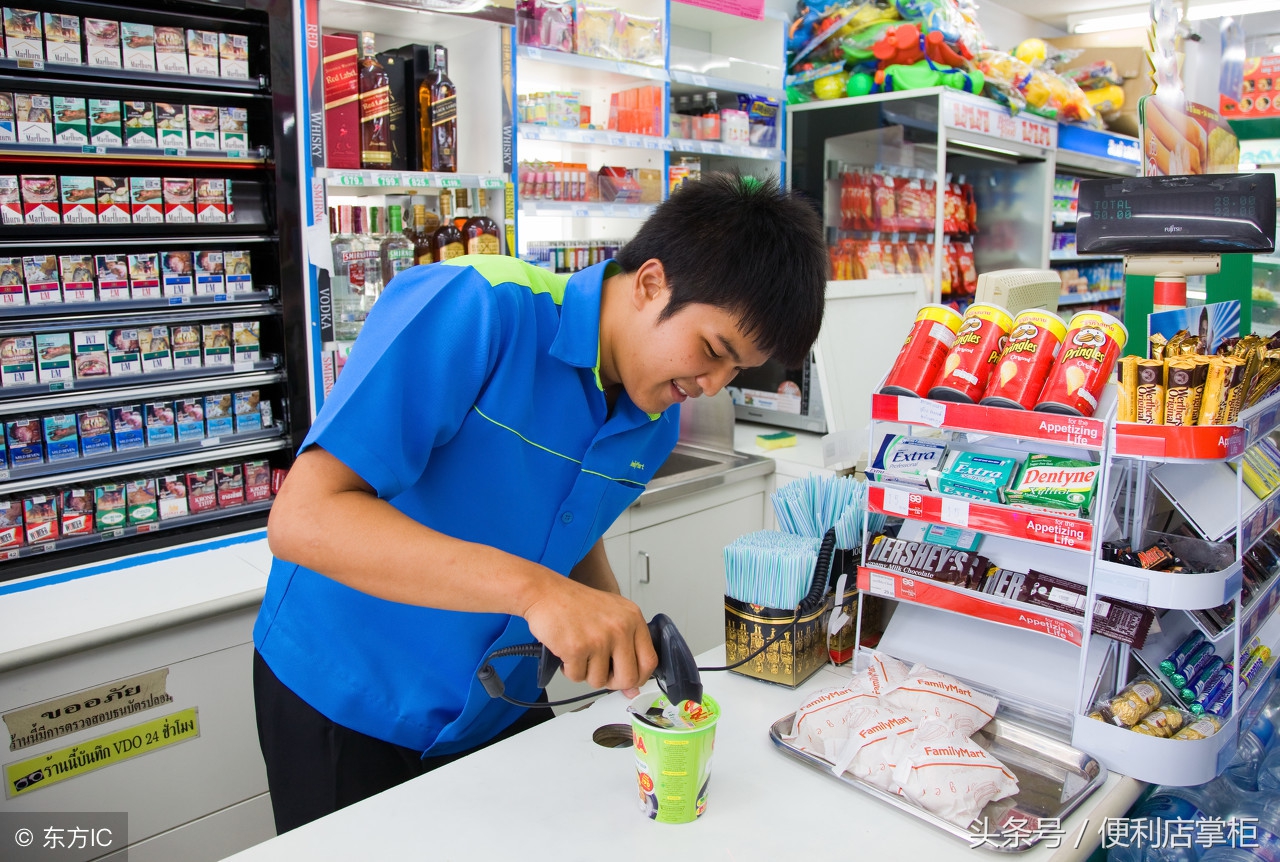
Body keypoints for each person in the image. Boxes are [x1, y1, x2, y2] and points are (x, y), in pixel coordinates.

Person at [253, 172, 828, 833]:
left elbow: (569, 520)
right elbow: (303, 518)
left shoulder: (654, 418)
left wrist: (610, 616)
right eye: (712, 352)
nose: (711, 384)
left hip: (496, 709)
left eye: (736, 371)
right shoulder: (478, 306)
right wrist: (536, 593)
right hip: (348, 694)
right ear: (650, 283)